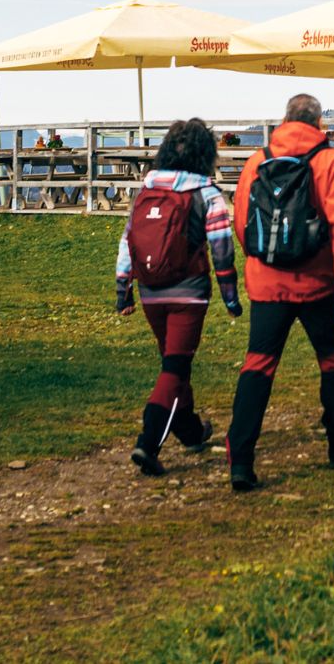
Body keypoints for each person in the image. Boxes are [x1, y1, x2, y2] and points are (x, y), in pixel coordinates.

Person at [226, 93, 334, 491]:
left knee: (258, 365)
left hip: (268, 283)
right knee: (332, 360)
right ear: (319, 123)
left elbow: (242, 222)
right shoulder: (332, 161)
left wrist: (262, 263)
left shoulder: (257, 161)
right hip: (318, 282)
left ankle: (240, 458)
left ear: (285, 119)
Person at [114, 118, 241, 475]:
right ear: (206, 154)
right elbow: (221, 249)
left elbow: (127, 242)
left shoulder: (146, 189)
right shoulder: (207, 193)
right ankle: (148, 442)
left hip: (150, 289)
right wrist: (230, 298)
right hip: (189, 292)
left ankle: (189, 430)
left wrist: (123, 292)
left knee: (173, 362)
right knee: (176, 366)